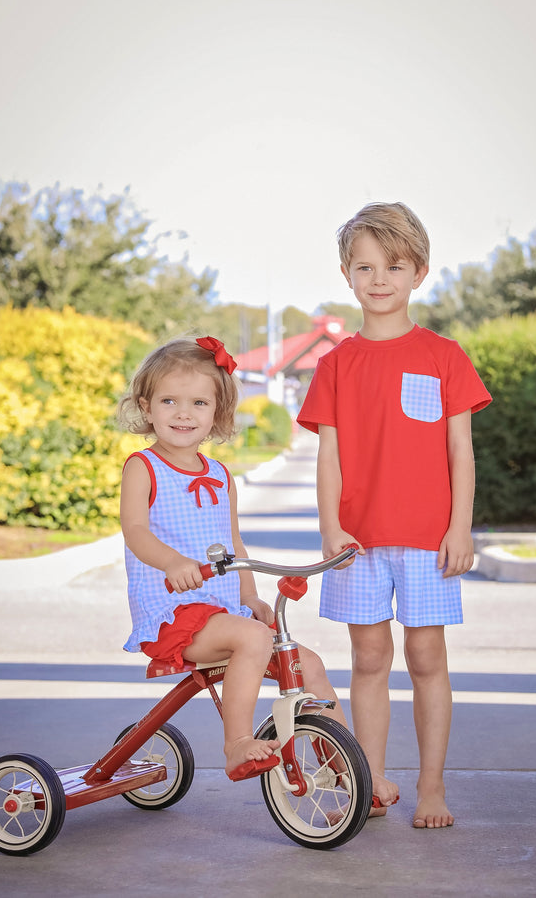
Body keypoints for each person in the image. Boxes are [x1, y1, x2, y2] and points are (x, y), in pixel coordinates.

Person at [297, 202, 492, 828]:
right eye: (365, 267)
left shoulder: (444, 356)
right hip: (358, 542)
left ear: (419, 273)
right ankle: (371, 781)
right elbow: (329, 457)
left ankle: (431, 787)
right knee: (369, 659)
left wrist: (460, 526)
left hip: (429, 541)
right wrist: (331, 527)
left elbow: (460, 450)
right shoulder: (334, 364)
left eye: (394, 266)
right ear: (348, 276)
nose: (379, 279)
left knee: (428, 659)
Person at [118, 335, 349, 783]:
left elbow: (234, 543)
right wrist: (171, 563)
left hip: (224, 613)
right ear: (147, 408)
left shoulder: (222, 475)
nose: (183, 413)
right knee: (253, 639)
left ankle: (348, 767)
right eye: (169, 400)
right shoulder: (143, 468)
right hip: (174, 614)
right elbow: (136, 531)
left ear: (216, 414)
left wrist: (251, 596)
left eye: (198, 403)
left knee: (308, 663)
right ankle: (237, 743)